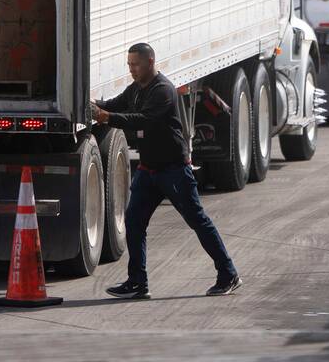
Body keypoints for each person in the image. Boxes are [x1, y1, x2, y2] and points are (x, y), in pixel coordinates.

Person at [92, 42, 241, 299]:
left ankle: (229, 274)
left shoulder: (163, 90)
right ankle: (138, 282)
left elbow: (143, 120)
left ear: (150, 62)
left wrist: (106, 117)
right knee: (134, 221)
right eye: (129, 65)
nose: (132, 70)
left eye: (136, 65)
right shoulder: (137, 88)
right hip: (149, 171)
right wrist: (93, 105)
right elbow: (116, 104)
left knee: (197, 221)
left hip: (173, 170)